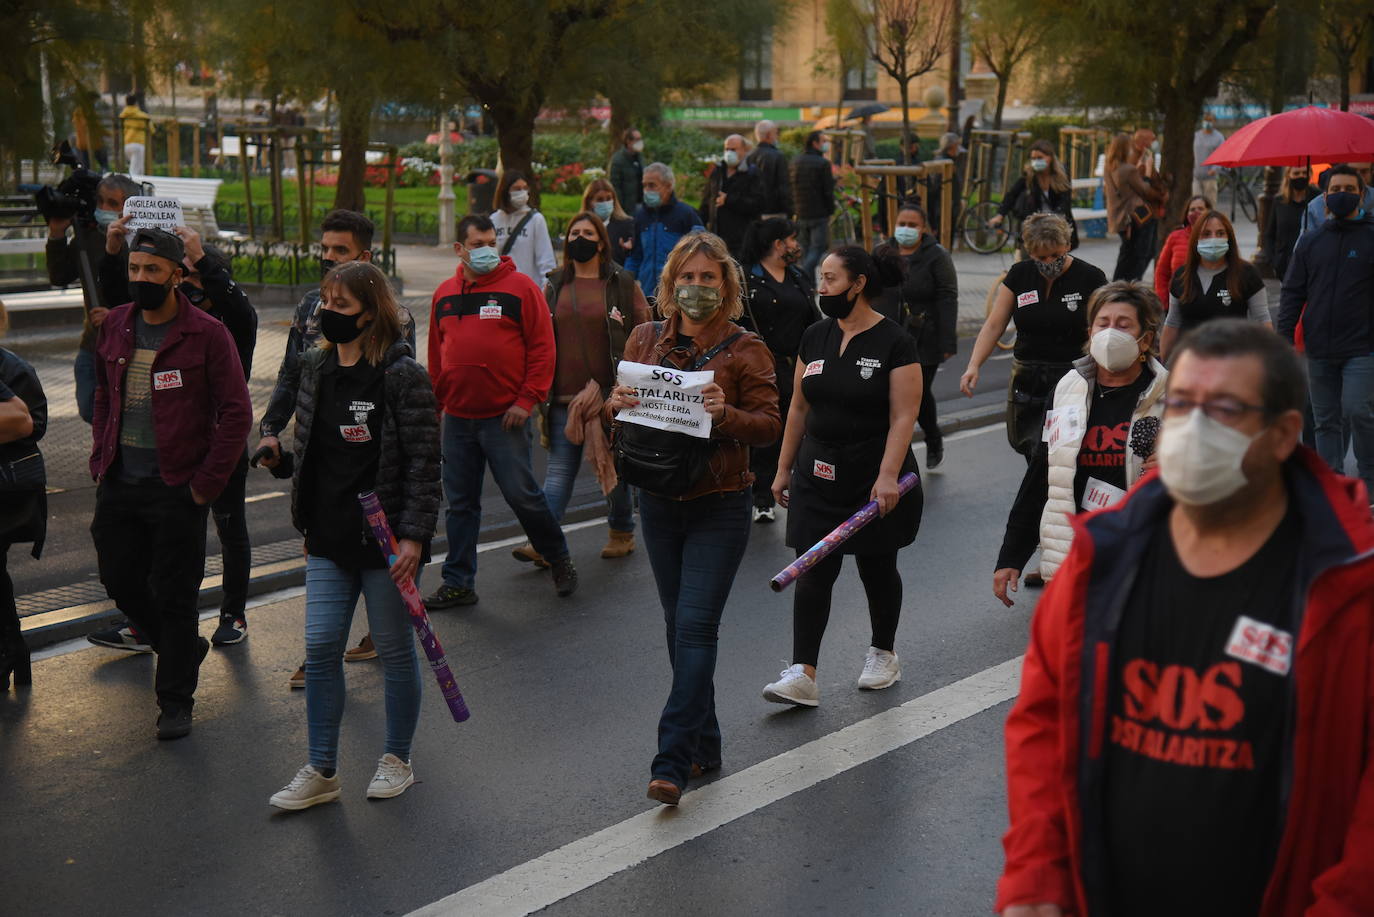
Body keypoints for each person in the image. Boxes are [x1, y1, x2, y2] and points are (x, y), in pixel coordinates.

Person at [997, 320, 1374, 917]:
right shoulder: (1102, 559)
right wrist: (1037, 880)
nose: (1195, 428)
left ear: (1283, 436)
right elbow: (1043, 727)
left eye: (1224, 408)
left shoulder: (1349, 584)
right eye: (1183, 404)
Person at [606, 231, 780, 806]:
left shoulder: (746, 347)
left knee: (696, 628)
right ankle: (706, 743)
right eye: (688, 277)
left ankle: (672, 759)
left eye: (708, 279)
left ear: (726, 285)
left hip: (719, 503)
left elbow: (769, 425)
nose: (697, 288)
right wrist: (616, 405)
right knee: (675, 627)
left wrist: (726, 413)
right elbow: (621, 408)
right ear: (671, 282)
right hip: (657, 500)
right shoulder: (643, 337)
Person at [268, 260, 441, 811]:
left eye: (341, 306)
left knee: (392, 650)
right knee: (320, 649)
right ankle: (322, 769)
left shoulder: (401, 375)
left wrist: (413, 537)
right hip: (327, 535)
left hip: (386, 544)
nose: (326, 315)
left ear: (373, 315)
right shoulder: (316, 367)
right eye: (325, 303)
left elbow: (423, 463)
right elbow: (313, 450)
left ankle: (397, 758)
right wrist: (282, 463)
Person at [89, 228, 252, 740]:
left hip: (179, 488)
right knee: (119, 578)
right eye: (135, 269)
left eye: (151, 271)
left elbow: (237, 412)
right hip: (120, 482)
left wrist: (206, 484)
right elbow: (101, 393)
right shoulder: (115, 324)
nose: (140, 279)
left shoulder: (207, 333)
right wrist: (100, 451)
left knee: (177, 596)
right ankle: (180, 648)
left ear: (176, 275)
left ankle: (175, 702)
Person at [761, 244, 923, 709]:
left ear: (858, 284)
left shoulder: (896, 342)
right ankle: (803, 673)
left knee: (876, 567)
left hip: (874, 476)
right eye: (820, 278)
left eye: (831, 279)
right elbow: (797, 406)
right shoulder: (814, 336)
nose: (822, 287)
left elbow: (903, 416)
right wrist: (783, 467)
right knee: (813, 568)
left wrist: (888, 475)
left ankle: (882, 653)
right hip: (817, 471)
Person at [256, 210, 404, 686]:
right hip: (320, 455)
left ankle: (379, 633)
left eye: (339, 251)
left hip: (371, 459)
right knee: (327, 552)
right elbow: (290, 373)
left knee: (364, 555)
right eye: (324, 249)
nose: (327, 258)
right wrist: (271, 429)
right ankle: (321, 654)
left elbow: (401, 391)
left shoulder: (395, 315)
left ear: (364, 257)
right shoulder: (308, 308)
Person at [425, 214, 578, 609]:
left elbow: (543, 349)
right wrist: (438, 406)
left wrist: (526, 400)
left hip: (505, 418)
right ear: (459, 249)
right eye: (478, 244)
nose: (488, 251)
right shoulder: (443, 295)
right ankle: (458, 582)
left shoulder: (522, 289)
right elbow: (437, 358)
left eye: (492, 242)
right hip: (458, 419)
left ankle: (558, 557)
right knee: (460, 505)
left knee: (522, 495)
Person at [992, 282, 1166, 603]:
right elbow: (1042, 473)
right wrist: (1011, 557)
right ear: (1090, 332)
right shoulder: (1068, 389)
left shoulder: (1172, 396)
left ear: (1147, 339)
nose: (1111, 332)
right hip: (1075, 553)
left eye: (1124, 325)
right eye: (1103, 323)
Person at [512, 211, 650, 564]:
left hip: (611, 397)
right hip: (563, 397)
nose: (580, 239)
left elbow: (645, 331)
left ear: (601, 241)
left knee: (613, 467)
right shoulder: (555, 282)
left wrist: (634, 382)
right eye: (574, 232)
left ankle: (622, 532)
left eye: (588, 232)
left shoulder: (621, 282)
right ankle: (544, 542)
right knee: (558, 472)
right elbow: (539, 336)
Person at [960, 213, 1109, 461]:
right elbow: (995, 324)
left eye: (1056, 256)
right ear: (1029, 252)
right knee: (1032, 450)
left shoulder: (1090, 278)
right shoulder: (1019, 275)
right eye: (1040, 258)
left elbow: (1104, 328)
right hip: (1028, 377)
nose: (1049, 263)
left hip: (1071, 376)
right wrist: (974, 365)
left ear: (1068, 246)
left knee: (1065, 453)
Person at [1277, 164, 1374, 499]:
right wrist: (1285, 337)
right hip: (1318, 347)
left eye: (1349, 189)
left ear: (1362, 195)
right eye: (1335, 190)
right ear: (1325, 198)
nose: (1342, 194)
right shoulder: (1310, 242)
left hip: (1363, 348)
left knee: (1357, 410)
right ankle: (1331, 485)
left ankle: (1369, 479)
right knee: (1324, 421)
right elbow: (1292, 292)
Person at [45, 173, 140, 426]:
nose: (104, 209)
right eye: (100, 202)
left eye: (112, 203)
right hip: (93, 343)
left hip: (132, 345)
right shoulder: (88, 237)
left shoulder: (144, 242)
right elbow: (60, 275)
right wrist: (56, 234)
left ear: (131, 205)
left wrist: (117, 315)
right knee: (91, 408)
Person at [739, 217, 817, 522]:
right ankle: (762, 498)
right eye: (792, 239)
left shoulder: (799, 275)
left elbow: (813, 318)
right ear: (778, 244)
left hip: (799, 366)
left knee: (801, 429)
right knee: (768, 431)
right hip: (763, 368)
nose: (796, 245)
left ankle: (803, 488)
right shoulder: (747, 279)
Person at [873, 203, 958, 469]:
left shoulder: (937, 256)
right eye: (902, 224)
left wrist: (947, 341)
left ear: (924, 228)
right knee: (888, 397)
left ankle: (932, 438)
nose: (906, 229)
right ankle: (897, 454)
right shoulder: (881, 252)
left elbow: (947, 297)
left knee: (914, 397)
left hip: (925, 339)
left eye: (912, 225)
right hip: (887, 336)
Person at [0, 300, 46, 691]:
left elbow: (35, 424)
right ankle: (13, 647)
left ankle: (10, 649)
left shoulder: (13, 368)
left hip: (8, 489)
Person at [1160, 210, 1270, 362]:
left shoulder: (1247, 273)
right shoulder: (1182, 275)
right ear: (1196, 239)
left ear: (1229, 238)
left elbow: (1262, 320)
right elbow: (1172, 323)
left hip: (1231, 362)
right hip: (1189, 361)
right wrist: (1161, 368)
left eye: (1220, 233)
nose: (1214, 239)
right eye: (1206, 234)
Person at [625, 163, 703, 295]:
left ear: (668, 186)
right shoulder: (640, 216)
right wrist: (625, 280)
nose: (647, 190)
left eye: (652, 185)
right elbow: (636, 255)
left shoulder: (686, 215)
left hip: (678, 294)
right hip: (648, 293)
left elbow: (702, 254)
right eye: (644, 185)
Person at [990, 140, 1078, 251]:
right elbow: (1012, 195)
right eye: (1033, 158)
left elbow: (1065, 202)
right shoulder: (1029, 176)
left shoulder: (1062, 176)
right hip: (1035, 227)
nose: (1036, 161)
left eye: (1040, 158)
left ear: (1050, 158)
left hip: (1057, 227)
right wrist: (1000, 215)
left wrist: (1053, 218)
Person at [1104, 132, 1164, 282]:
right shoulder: (1128, 170)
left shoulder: (1109, 167)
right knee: (1142, 252)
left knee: (1127, 252)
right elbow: (1144, 189)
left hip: (1119, 216)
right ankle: (1132, 283)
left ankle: (1119, 283)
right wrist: (1148, 172)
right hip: (1136, 216)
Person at [699, 135, 764, 259]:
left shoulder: (752, 173)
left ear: (744, 150)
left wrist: (729, 200)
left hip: (742, 241)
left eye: (733, 149)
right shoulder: (717, 171)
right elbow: (707, 201)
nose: (729, 153)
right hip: (717, 240)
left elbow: (759, 204)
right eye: (727, 149)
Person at [490, 170, 557, 285]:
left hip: (527, 287)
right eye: (517, 189)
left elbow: (546, 260)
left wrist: (546, 291)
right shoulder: (494, 220)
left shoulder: (536, 220)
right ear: (505, 191)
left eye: (525, 188)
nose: (522, 192)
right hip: (500, 287)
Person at [791, 132, 836, 277]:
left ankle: (806, 281)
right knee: (817, 248)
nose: (825, 144)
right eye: (823, 141)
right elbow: (827, 190)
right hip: (819, 213)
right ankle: (805, 273)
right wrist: (830, 210)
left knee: (803, 248)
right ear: (815, 143)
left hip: (800, 212)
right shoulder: (823, 163)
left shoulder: (795, 161)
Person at [1153, 194, 1211, 306]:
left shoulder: (1218, 238)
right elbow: (1161, 273)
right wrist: (1164, 301)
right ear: (1186, 214)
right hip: (1178, 301)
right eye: (1192, 210)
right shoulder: (1175, 237)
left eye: (1201, 209)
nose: (1196, 213)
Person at [1262, 166, 1317, 282]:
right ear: (1288, 176)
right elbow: (1269, 234)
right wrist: (1273, 260)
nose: (1301, 176)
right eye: (1296, 173)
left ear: (1310, 174)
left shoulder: (1318, 198)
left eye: (1304, 173)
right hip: (1285, 265)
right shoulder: (1279, 201)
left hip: (1311, 263)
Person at [580, 178, 635, 265]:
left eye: (609, 198)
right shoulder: (580, 228)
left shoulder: (627, 225)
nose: (605, 203)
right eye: (600, 199)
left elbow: (633, 259)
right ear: (589, 202)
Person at [748, 119, 793, 220]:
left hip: (754, 213)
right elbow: (783, 187)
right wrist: (789, 210)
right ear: (769, 135)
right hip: (775, 212)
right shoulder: (778, 156)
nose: (777, 136)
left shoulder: (749, 156)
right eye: (776, 133)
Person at [609, 127, 645, 213]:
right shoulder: (618, 160)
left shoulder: (639, 157)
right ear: (628, 141)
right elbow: (615, 186)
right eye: (637, 139)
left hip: (642, 205)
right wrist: (620, 209)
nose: (640, 142)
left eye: (641, 139)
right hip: (628, 208)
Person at [1192, 112, 1225, 202]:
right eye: (1206, 120)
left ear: (1214, 122)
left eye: (1210, 120)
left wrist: (1215, 169)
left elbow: (1221, 155)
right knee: (1197, 202)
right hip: (1196, 176)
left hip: (1211, 177)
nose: (1207, 122)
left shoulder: (1219, 137)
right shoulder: (1196, 136)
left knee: (1209, 203)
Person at [119, 95, 152, 174]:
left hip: (126, 145)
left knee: (137, 168)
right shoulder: (143, 116)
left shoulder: (122, 116)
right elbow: (151, 129)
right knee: (136, 171)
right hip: (138, 145)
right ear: (136, 103)